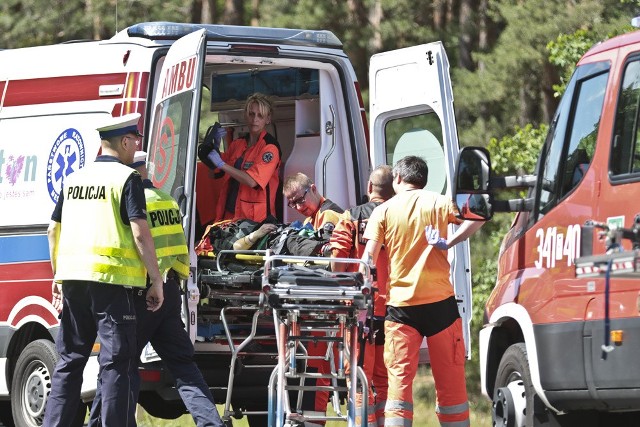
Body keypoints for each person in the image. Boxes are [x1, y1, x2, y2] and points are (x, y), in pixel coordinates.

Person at [44, 113, 164, 427]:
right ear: (124, 142)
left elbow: (52, 230)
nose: (135, 147)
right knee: (115, 363)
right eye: (134, 141)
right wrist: (156, 279)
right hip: (110, 284)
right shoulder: (128, 179)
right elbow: (140, 231)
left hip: (72, 281)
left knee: (69, 360)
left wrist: (58, 274)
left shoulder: (73, 179)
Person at [88, 152, 224, 427]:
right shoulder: (167, 200)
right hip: (170, 291)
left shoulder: (131, 199)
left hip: (142, 293)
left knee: (117, 365)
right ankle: (211, 423)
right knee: (183, 366)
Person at [361, 156, 483, 427]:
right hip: (441, 305)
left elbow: (367, 259)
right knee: (451, 385)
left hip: (401, 308)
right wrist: (451, 241)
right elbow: (480, 216)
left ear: (398, 179)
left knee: (398, 390)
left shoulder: (383, 211)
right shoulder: (439, 202)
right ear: (423, 180)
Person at [328, 164, 394, 427]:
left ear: (369, 188)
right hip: (394, 309)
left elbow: (336, 265)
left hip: (359, 310)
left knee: (357, 376)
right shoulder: (400, 216)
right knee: (385, 379)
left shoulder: (351, 217)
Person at [282, 172, 344, 426]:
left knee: (320, 371)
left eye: (299, 200)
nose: (298, 207)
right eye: (292, 204)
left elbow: (326, 262)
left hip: (329, 309)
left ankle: (314, 423)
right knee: (317, 370)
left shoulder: (329, 216)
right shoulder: (315, 217)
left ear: (314, 188)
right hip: (325, 307)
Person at [198, 93, 281, 223]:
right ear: (245, 115)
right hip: (229, 214)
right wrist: (214, 148)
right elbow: (213, 174)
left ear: (268, 119)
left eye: (260, 115)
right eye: (251, 114)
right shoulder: (237, 144)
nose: (255, 119)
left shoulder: (270, 148)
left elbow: (252, 181)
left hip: (255, 220)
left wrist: (221, 164)